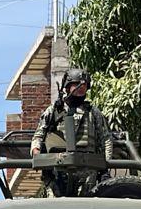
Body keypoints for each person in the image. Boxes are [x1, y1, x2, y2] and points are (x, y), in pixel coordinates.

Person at [30, 68, 116, 198]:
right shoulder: (54, 110)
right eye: (77, 84)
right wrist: (35, 151)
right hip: (58, 166)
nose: (81, 88)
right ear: (68, 86)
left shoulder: (93, 112)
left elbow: (106, 138)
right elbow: (39, 133)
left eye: (84, 85)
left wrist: (106, 164)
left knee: (86, 205)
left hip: (87, 167)